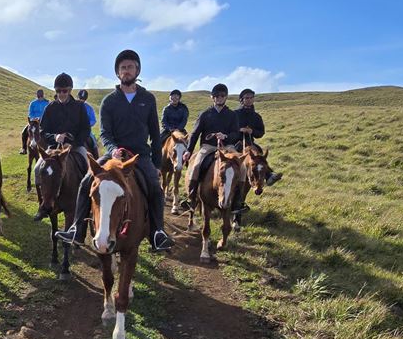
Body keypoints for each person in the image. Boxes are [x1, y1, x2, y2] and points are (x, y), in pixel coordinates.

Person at [56, 49, 174, 252]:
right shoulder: (109, 101)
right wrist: (112, 149)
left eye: (130, 67)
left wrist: (156, 164)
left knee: (155, 187)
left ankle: (157, 233)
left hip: (139, 156)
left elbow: (155, 134)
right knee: (86, 182)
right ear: (117, 73)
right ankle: (77, 229)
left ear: (137, 70)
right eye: (123, 68)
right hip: (114, 154)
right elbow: (105, 132)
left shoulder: (148, 99)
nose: (126, 71)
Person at [34, 73, 96, 220]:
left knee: (89, 170)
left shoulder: (79, 107)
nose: (61, 94)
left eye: (64, 91)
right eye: (58, 91)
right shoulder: (50, 107)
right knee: (37, 169)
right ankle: (43, 205)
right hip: (53, 148)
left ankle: (88, 203)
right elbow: (43, 130)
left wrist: (72, 143)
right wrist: (54, 137)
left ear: (70, 90)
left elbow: (85, 129)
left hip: (75, 147)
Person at [177, 83, 239, 213]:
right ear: (212, 97)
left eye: (222, 96)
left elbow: (236, 133)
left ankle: (239, 202)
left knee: (242, 167)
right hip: (208, 146)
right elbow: (195, 133)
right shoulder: (205, 114)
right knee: (196, 166)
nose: (219, 98)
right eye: (217, 96)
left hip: (227, 147)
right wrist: (189, 150)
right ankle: (192, 198)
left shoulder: (232, 115)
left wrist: (226, 136)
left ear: (226, 97)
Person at [236, 88, 282, 185]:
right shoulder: (235, 114)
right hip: (235, 141)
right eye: (246, 98)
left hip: (250, 142)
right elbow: (229, 128)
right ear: (241, 100)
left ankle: (268, 175)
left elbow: (261, 132)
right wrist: (240, 130)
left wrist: (252, 131)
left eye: (251, 98)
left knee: (259, 153)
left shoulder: (256, 116)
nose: (249, 100)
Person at [24, 88, 49, 154]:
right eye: (39, 96)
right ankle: (24, 148)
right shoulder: (33, 103)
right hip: (33, 121)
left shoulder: (47, 103)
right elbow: (30, 113)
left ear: (43, 95)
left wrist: (41, 118)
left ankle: (51, 146)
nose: (40, 98)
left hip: (44, 122)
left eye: (41, 96)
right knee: (24, 132)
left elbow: (48, 113)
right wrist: (34, 118)